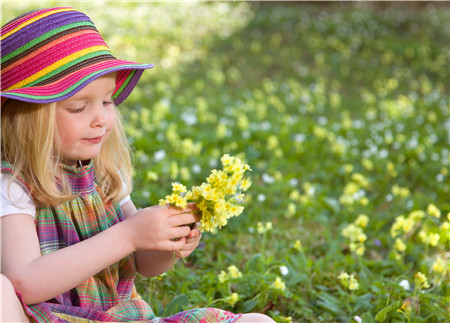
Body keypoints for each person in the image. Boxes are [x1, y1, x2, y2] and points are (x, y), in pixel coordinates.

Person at [0, 7, 274, 323]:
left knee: (259, 322)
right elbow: (25, 282)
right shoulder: (13, 187)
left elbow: (146, 265)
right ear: (26, 120)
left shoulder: (104, 176)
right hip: (50, 317)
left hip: (123, 318)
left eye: (107, 101)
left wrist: (166, 240)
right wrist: (128, 235)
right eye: (79, 107)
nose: (102, 119)